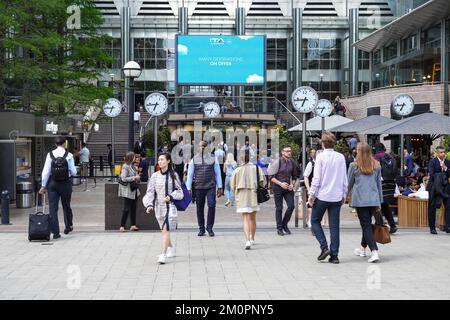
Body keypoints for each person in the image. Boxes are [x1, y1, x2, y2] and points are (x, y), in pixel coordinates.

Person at [308, 132, 348, 264]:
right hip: (336, 196)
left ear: (323, 143)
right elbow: (344, 177)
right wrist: (344, 194)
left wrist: (311, 194)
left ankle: (324, 246)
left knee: (314, 221)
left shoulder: (320, 157)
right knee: (334, 227)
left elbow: (317, 178)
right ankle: (334, 255)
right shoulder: (341, 157)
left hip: (323, 195)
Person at [143, 153, 183, 264]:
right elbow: (150, 192)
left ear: (168, 161)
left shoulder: (173, 175)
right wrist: (149, 204)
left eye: (162, 159)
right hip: (158, 207)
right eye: (159, 160)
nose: (160, 162)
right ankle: (172, 248)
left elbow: (180, 191)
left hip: (170, 207)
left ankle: (163, 255)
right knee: (164, 231)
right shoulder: (154, 176)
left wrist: (171, 196)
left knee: (165, 231)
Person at [347, 143, 383, 263]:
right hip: (373, 200)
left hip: (360, 200)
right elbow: (379, 186)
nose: (355, 152)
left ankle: (374, 251)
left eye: (357, 150)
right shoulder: (376, 165)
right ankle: (362, 249)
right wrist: (379, 202)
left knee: (366, 225)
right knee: (367, 224)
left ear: (360, 152)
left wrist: (344, 196)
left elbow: (349, 183)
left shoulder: (354, 166)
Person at [39, 136, 77, 239]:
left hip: (52, 184)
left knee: (53, 208)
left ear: (55, 144)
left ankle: (55, 232)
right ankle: (68, 226)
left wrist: (43, 185)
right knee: (66, 206)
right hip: (65, 183)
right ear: (65, 143)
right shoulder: (69, 155)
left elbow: (46, 171)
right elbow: (74, 171)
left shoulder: (50, 155)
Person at [230, 147, 266, 250]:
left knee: (245, 218)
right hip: (253, 195)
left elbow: (232, 185)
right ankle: (252, 238)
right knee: (253, 218)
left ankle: (247, 241)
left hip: (242, 195)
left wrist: (236, 192)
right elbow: (262, 181)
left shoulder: (237, 169)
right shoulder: (256, 168)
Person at [186, 140, 223, 237]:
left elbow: (218, 173)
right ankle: (201, 228)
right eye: (200, 146)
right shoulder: (194, 159)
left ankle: (209, 227)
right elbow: (190, 174)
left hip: (210, 186)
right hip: (198, 186)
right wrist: (188, 188)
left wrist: (220, 186)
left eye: (204, 146)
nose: (202, 148)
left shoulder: (213, 158)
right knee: (199, 208)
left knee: (211, 205)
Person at [267, 145, 300, 236]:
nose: (289, 152)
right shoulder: (277, 162)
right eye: (287, 151)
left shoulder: (292, 162)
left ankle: (284, 224)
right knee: (279, 208)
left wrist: (292, 184)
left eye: (290, 151)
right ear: (282, 152)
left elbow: (295, 176)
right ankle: (279, 228)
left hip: (288, 187)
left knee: (291, 206)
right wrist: (281, 184)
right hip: (278, 187)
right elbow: (270, 177)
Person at [373, 142, 398, 233]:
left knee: (376, 205)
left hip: (381, 183)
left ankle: (380, 227)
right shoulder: (390, 157)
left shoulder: (376, 157)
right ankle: (392, 225)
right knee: (385, 205)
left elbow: (374, 171)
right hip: (391, 184)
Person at [427, 146, 450, 234]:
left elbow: (449, 174)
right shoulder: (432, 162)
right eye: (441, 152)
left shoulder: (447, 162)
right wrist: (443, 175)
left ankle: (448, 226)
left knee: (448, 206)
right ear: (437, 153)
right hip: (434, 188)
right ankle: (432, 227)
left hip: (445, 188)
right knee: (432, 207)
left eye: (444, 152)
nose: (443, 154)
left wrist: (445, 168)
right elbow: (432, 174)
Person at [118, 152, 141, 232]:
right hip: (128, 191)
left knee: (133, 208)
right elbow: (123, 178)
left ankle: (133, 225)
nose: (135, 158)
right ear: (131, 158)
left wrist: (137, 175)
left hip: (134, 190)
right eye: (134, 157)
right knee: (126, 208)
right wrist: (134, 177)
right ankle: (122, 226)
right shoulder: (125, 167)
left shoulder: (132, 166)